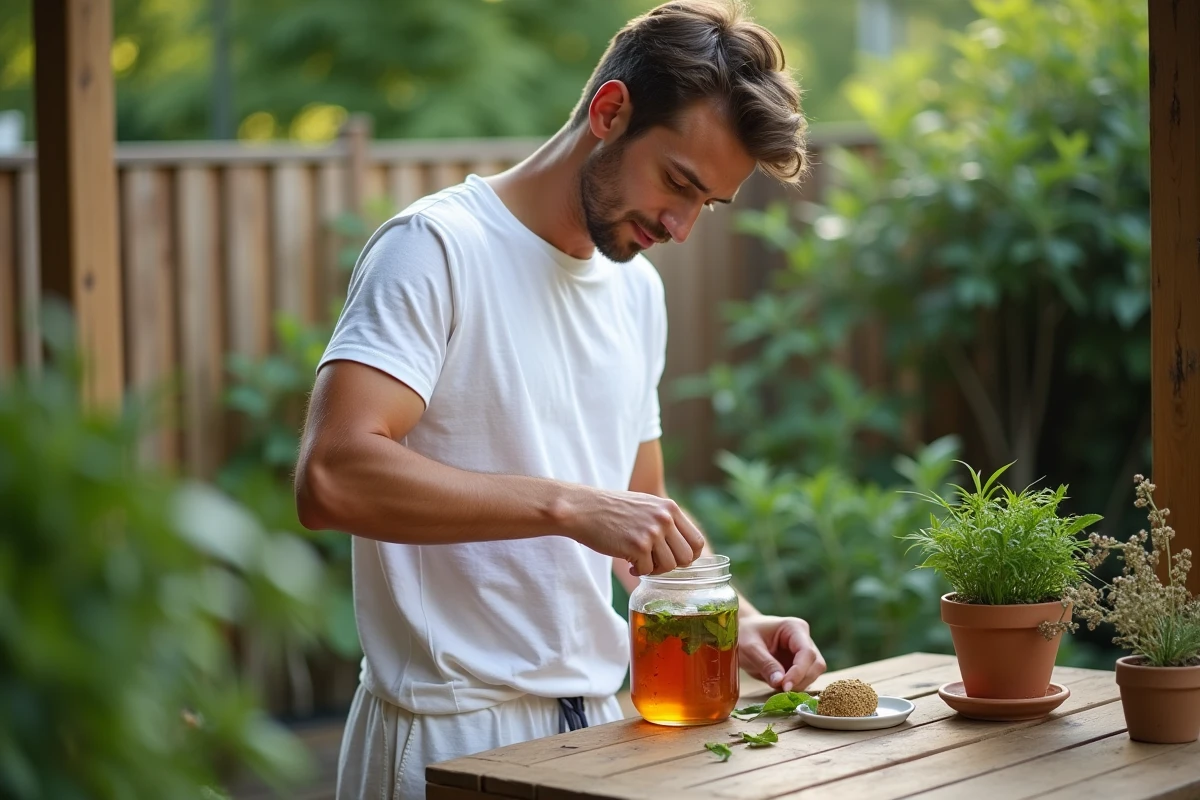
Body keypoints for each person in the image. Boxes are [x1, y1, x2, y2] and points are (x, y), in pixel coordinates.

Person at [294, 1, 827, 797]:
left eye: (706, 204)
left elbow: (639, 511)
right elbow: (331, 477)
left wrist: (739, 617)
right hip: (448, 734)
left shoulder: (636, 293)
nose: (682, 226)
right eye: (678, 183)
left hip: (601, 733)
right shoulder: (435, 249)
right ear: (610, 112)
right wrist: (569, 506)